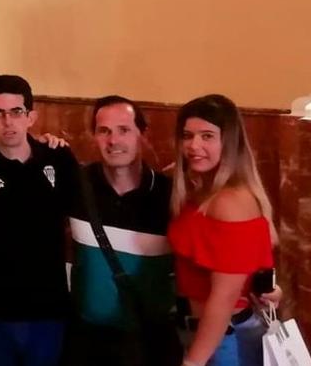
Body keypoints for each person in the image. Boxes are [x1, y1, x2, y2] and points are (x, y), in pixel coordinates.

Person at [0, 74, 78, 366]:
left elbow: (78, 219)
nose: (7, 122)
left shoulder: (59, 159)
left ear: (31, 116)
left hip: (47, 303)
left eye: (16, 112)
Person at [67, 96, 179, 366]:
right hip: (87, 343)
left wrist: (259, 288)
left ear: (143, 134)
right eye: (104, 131)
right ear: (94, 136)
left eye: (124, 130)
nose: (113, 140)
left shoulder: (171, 196)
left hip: (151, 343)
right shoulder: (76, 186)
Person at [168, 94, 275, 366]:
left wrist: (193, 362)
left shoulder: (230, 201)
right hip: (207, 333)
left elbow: (224, 297)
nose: (194, 145)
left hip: (225, 338)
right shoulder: (203, 190)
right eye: (187, 135)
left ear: (229, 142)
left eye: (207, 136)